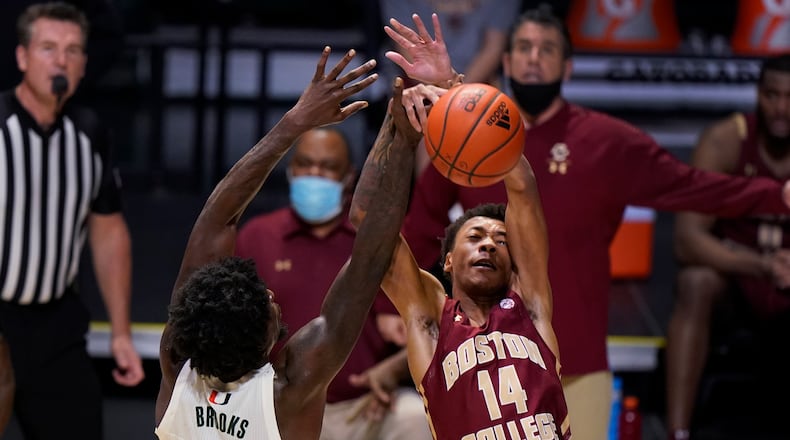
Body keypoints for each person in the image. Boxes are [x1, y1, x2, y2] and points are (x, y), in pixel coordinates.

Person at [383, 9, 790, 440]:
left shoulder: (606, 141)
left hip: (581, 358)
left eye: (547, 50)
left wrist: (778, 196)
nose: (533, 59)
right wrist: (385, 310)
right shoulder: (463, 144)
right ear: (506, 62)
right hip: (492, 365)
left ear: (568, 67)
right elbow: (420, 224)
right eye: (524, 48)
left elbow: (690, 186)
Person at [154, 45, 424, 439]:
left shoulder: (177, 367)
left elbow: (216, 221)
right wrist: (404, 144)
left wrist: (294, 123)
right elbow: (369, 260)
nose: (269, 294)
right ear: (264, 342)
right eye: (264, 304)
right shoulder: (285, 395)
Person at [0, 3, 144, 439]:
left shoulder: (90, 133)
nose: (60, 61)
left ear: (84, 65)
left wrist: (121, 332)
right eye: (48, 48)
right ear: (22, 57)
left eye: (73, 50)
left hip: (55, 325)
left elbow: (108, 230)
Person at [235, 126, 432, 439]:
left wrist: (393, 371)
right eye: (305, 164)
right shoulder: (256, 236)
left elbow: (427, 324)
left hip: (365, 405)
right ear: (291, 170)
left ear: (349, 177)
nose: (314, 174)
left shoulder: (379, 241)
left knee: (415, 418)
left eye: (327, 167)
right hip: (282, 404)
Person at [665, 53, 790, 440]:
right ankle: (678, 433)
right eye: (772, 95)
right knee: (696, 282)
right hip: (738, 278)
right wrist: (761, 265)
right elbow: (687, 239)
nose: (781, 108)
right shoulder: (724, 141)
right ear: (757, 94)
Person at [377, 0, 521, 180]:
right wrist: (445, 89)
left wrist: (456, 93)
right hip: (422, 83)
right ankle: (426, 193)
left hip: (479, 84)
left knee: (486, 127)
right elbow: (412, 60)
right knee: (428, 125)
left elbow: (493, 48)